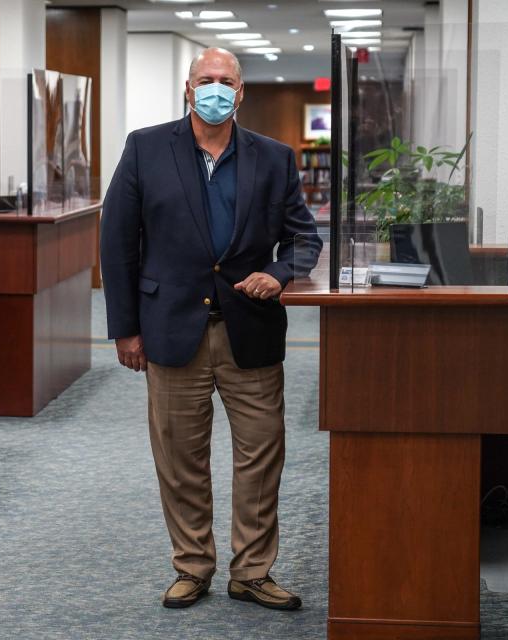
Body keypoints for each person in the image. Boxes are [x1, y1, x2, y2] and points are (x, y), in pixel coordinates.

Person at [100, 47, 322, 611]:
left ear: (241, 93)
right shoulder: (146, 148)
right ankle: (192, 565)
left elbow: (303, 240)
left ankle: (252, 570)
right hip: (171, 328)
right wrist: (125, 329)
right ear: (188, 88)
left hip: (251, 329)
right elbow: (118, 243)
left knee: (261, 456)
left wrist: (277, 274)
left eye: (227, 81)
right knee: (179, 458)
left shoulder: (273, 157)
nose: (216, 88)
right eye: (207, 80)